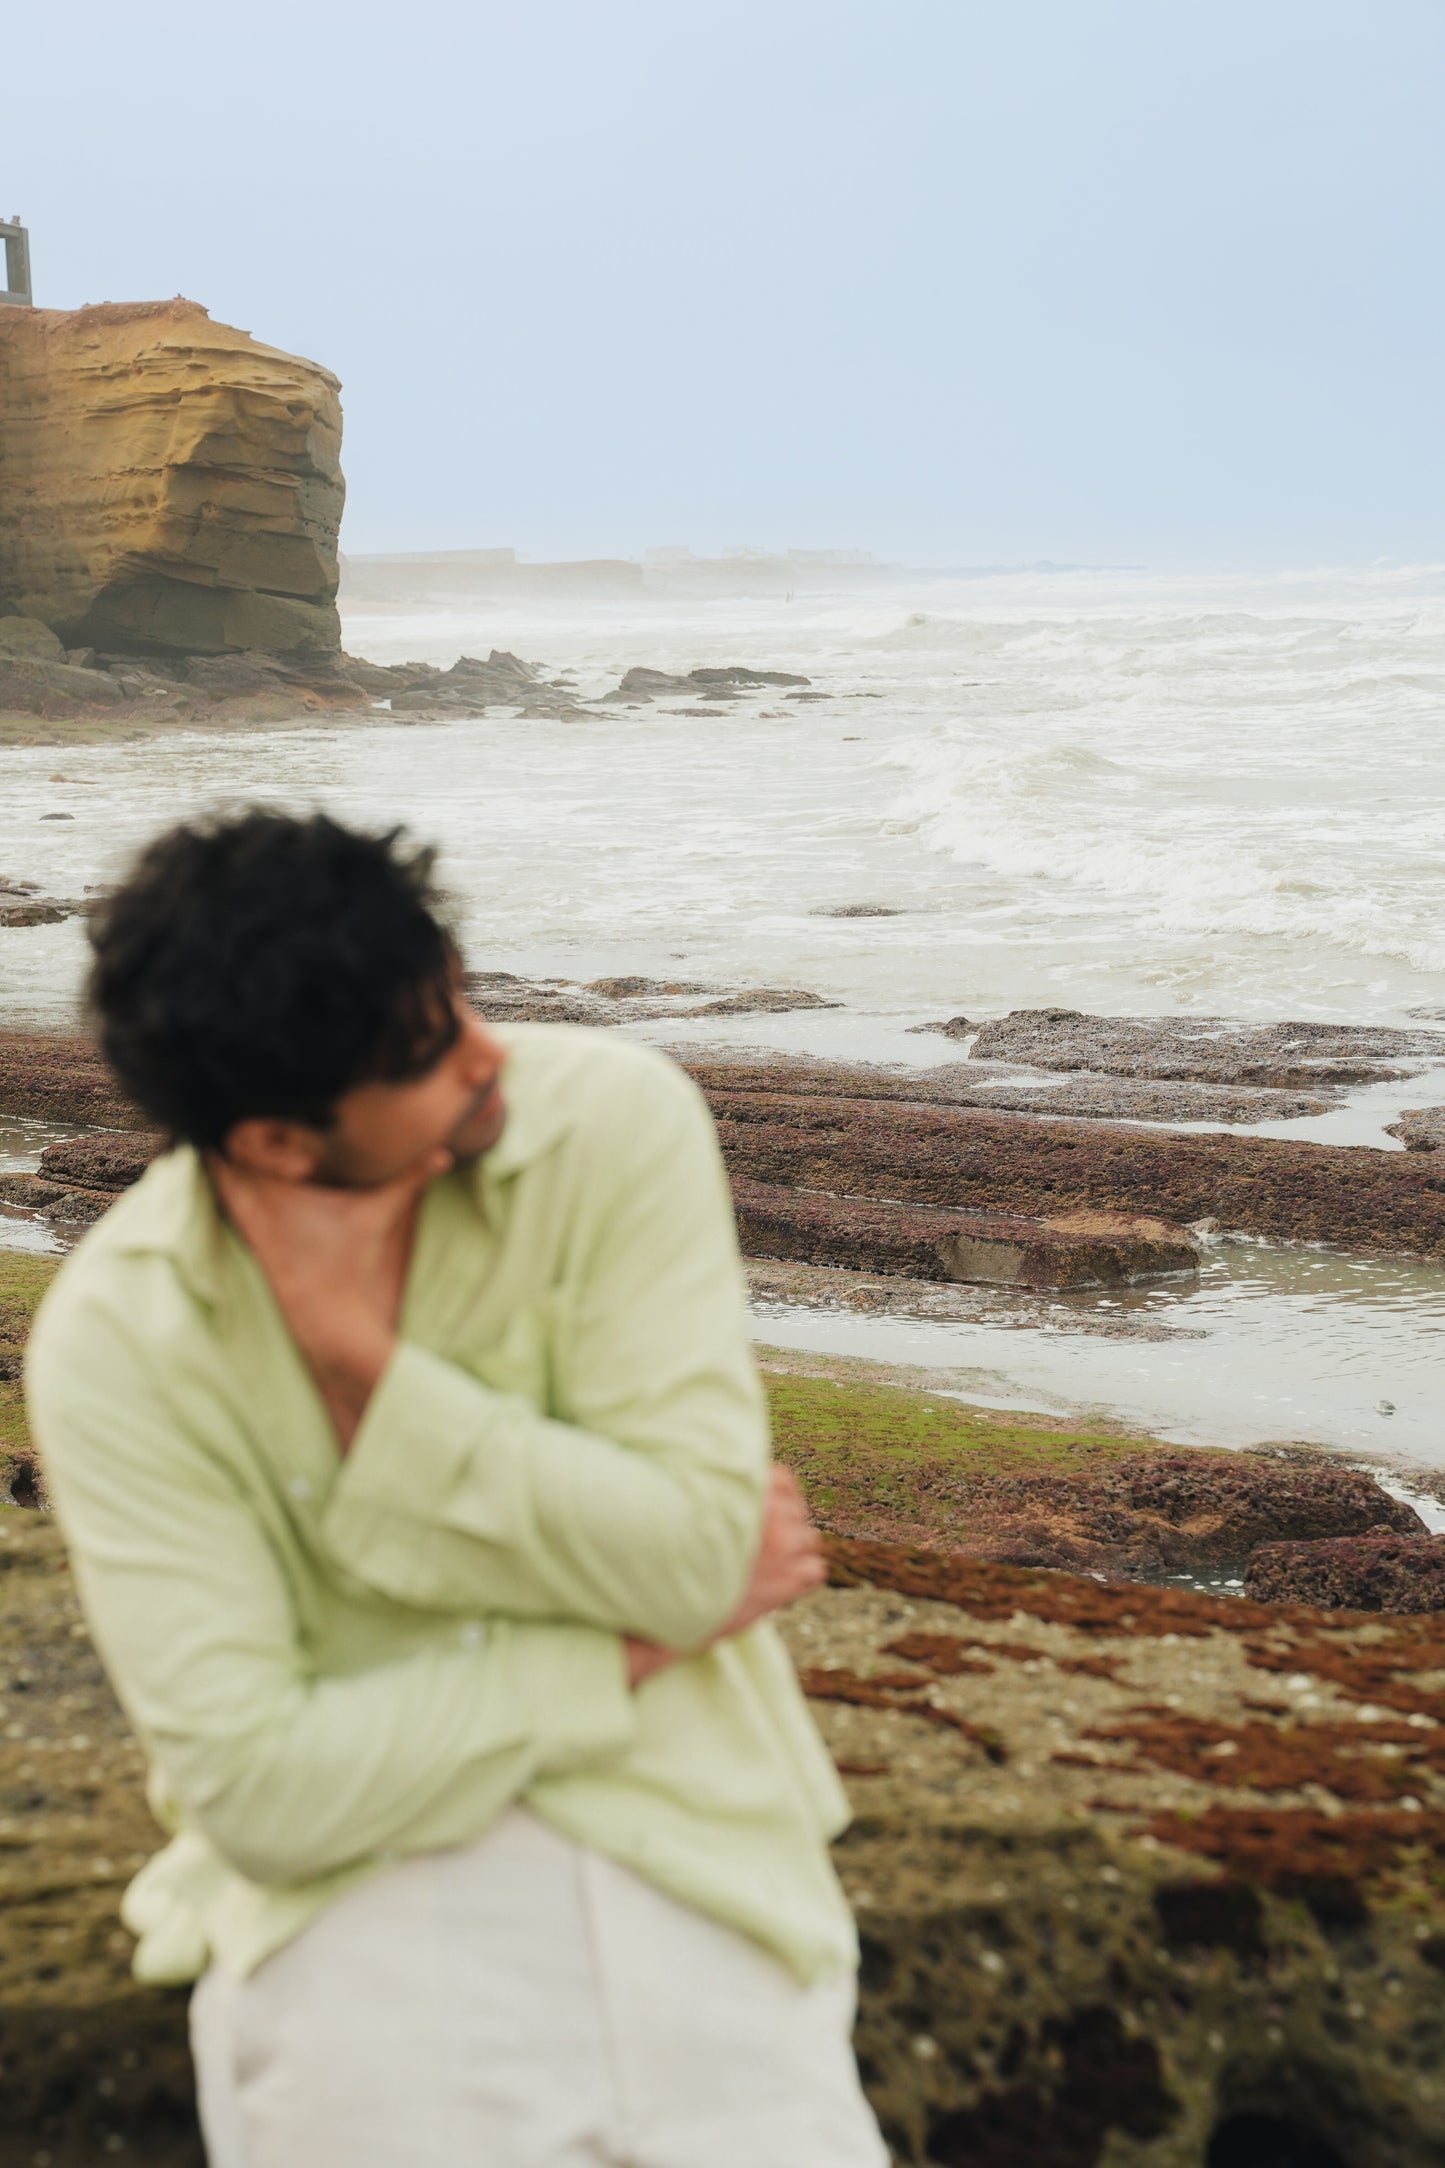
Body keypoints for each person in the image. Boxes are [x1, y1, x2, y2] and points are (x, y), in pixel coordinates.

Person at [26, 810, 887, 2168]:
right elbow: (262, 1791)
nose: (488, 1053)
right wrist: (621, 1652)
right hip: (355, 1909)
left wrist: (370, 1373)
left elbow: (693, 1553)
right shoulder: (124, 1338)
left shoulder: (608, 1122)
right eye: (426, 1052)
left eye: (457, 994)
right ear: (279, 1141)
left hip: (692, 1846)